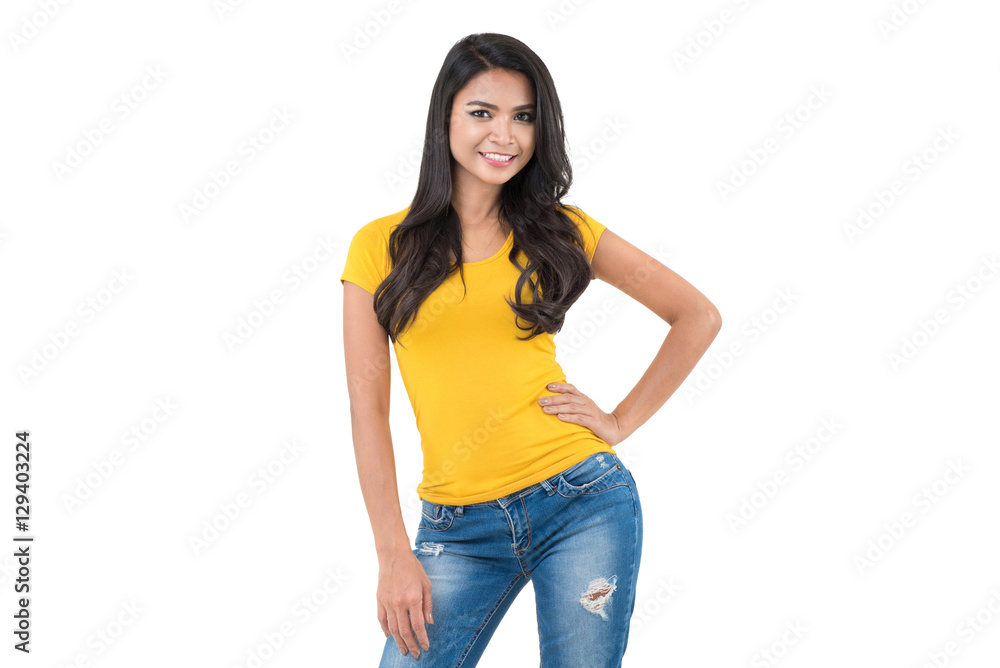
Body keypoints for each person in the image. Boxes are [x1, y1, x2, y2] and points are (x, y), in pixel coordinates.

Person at [341, 32, 721, 667]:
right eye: (482, 113)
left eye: (523, 117)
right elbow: (365, 409)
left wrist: (618, 422)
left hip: (580, 501)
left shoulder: (561, 231)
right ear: (445, 118)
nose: (505, 135)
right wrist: (392, 553)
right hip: (454, 530)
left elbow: (697, 316)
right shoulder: (380, 247)